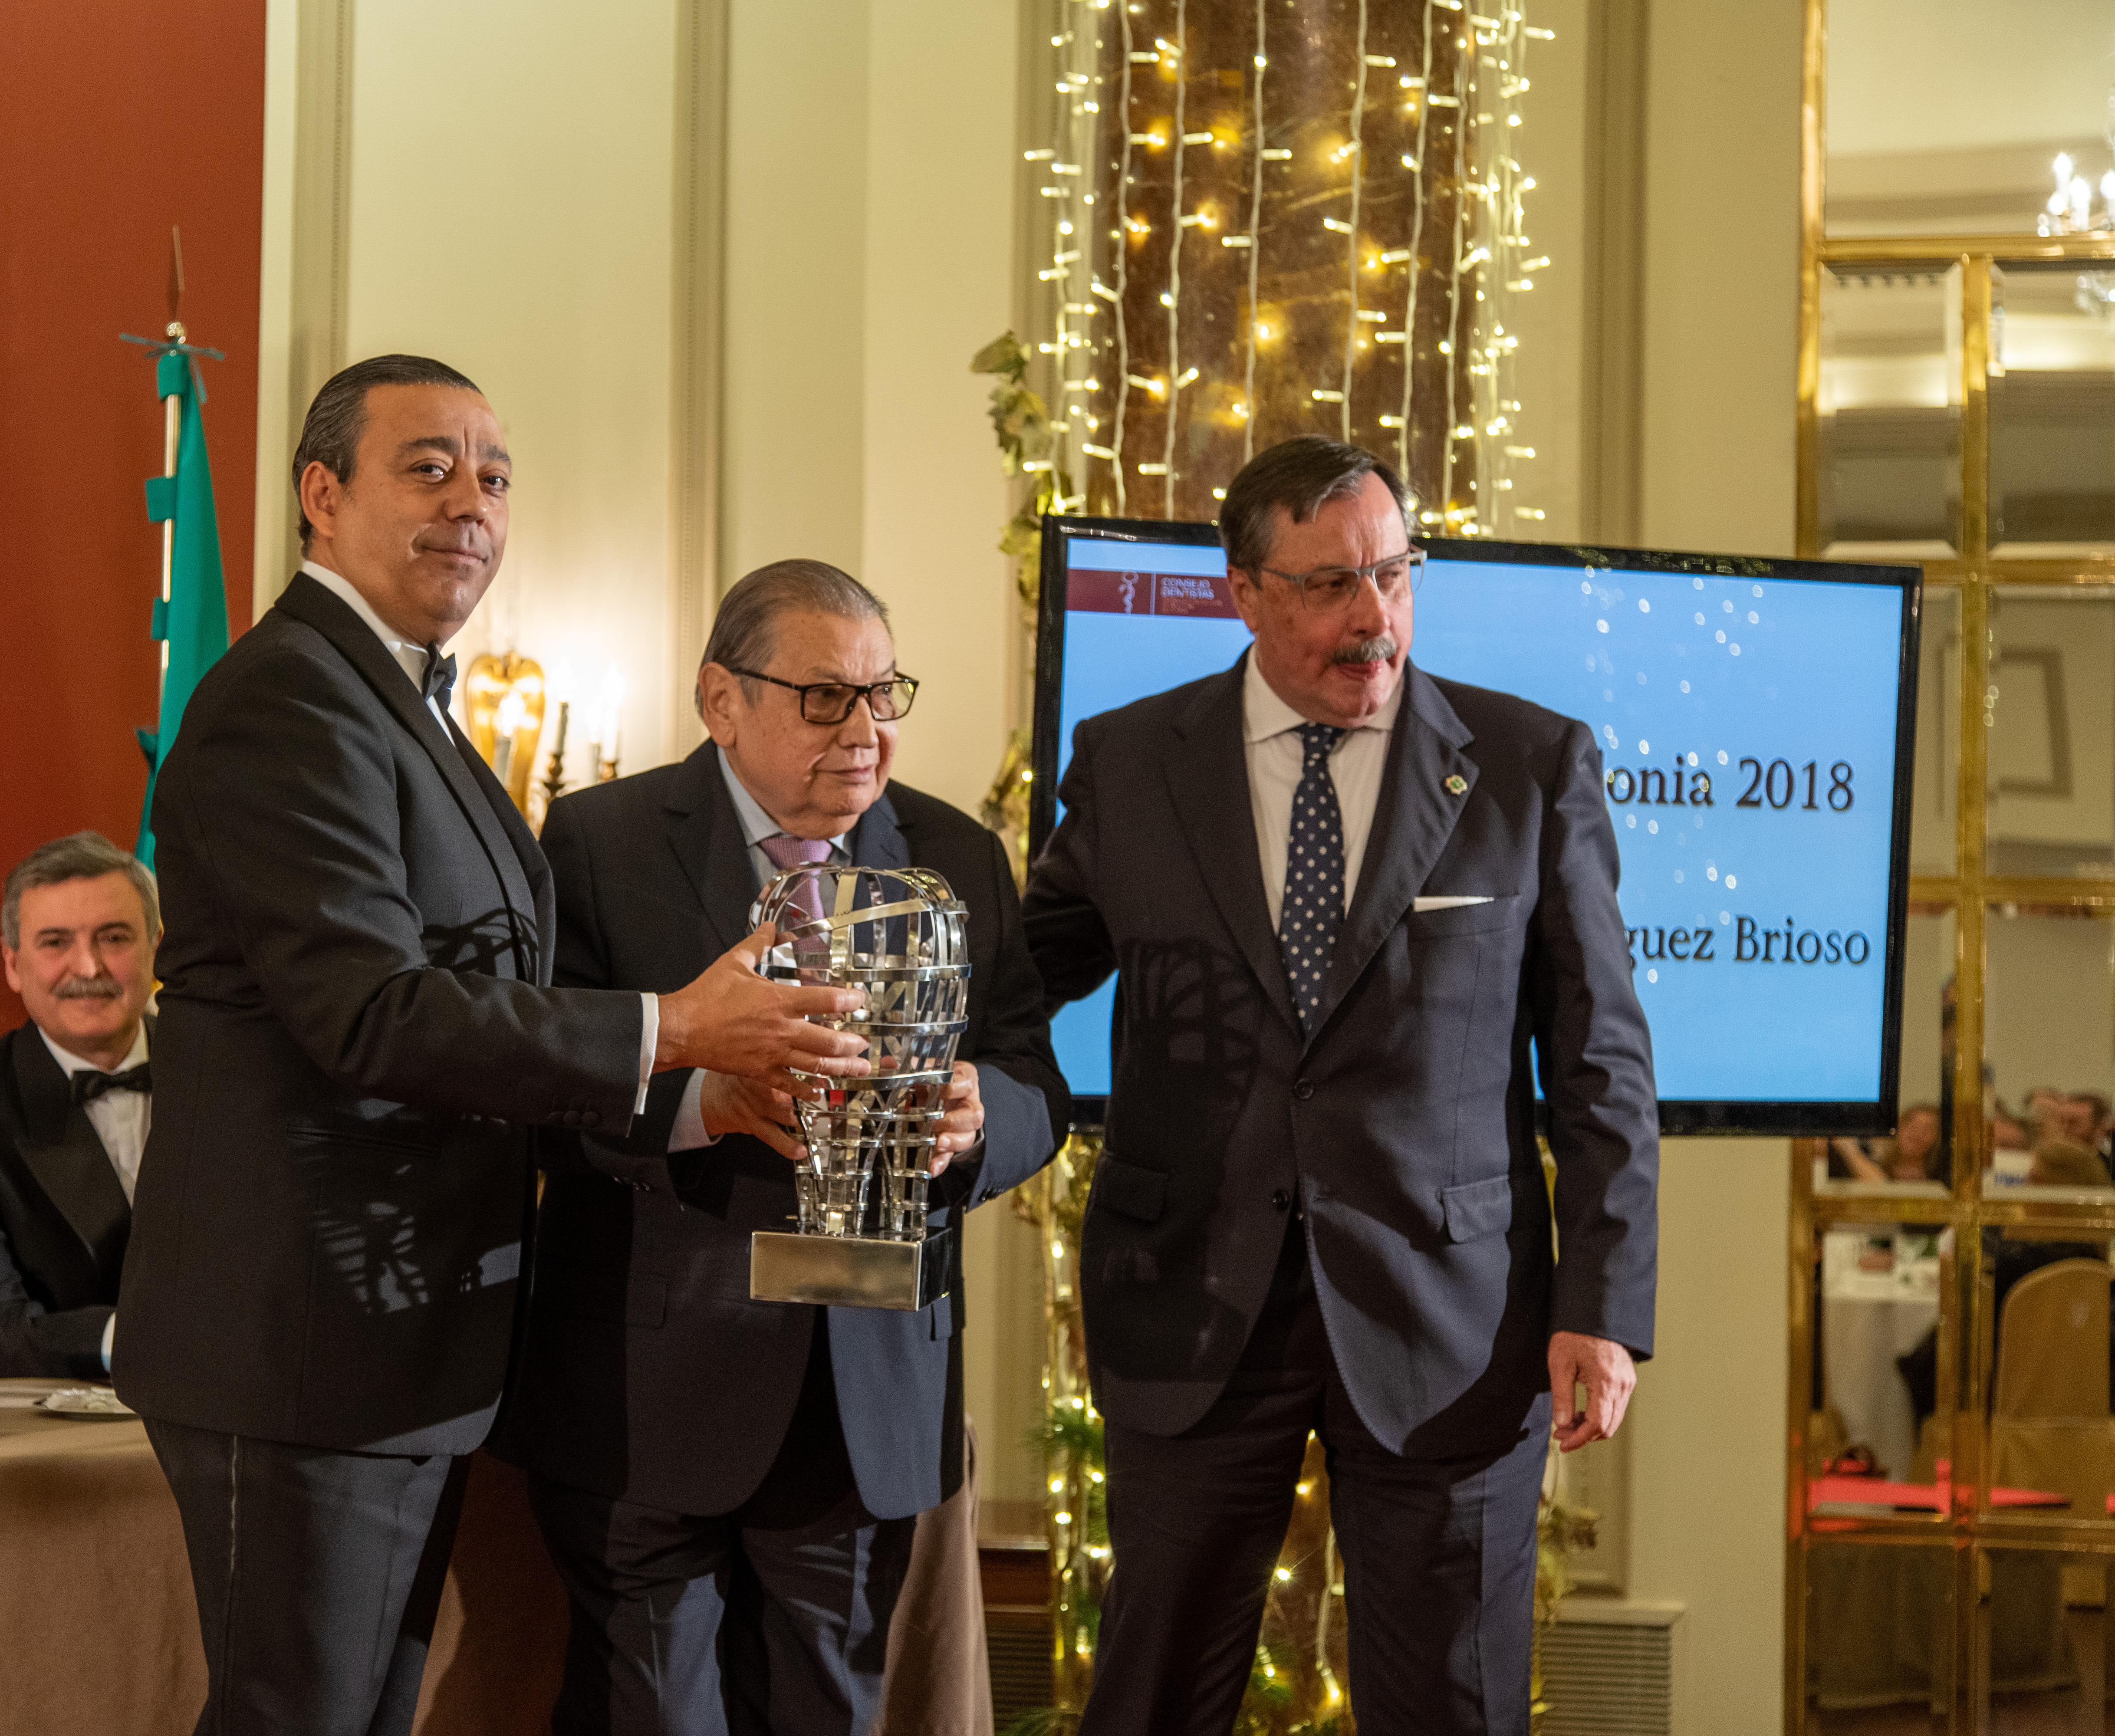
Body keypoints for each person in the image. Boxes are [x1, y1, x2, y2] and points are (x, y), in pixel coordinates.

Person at [112, 355, 874, 1736]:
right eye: (429, 467)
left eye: (495, 476)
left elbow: (481, 1003)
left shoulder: (402, 703)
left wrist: (699, 1088)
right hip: (303, 1345)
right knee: (301, 1714)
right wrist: (670, 1025)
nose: (472, 502)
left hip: (398, 1345)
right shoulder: (287, 700)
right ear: (319, 495)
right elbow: (371, 1013)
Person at [1022, 436, 1659, 1735]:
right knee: (1145, 1702)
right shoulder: (1131, 760)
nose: (1374, 618)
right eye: (1327, 586)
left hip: (1453, 1325)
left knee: (1451, 1711)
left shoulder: (1528, 763)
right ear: (1241, 590)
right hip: (1188, 1308)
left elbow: (1598, 1061)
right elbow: (1019, 982)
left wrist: (1602, 1301)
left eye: (1392, 573)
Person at [504, 560, 1071, 1734]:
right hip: (647, 1391)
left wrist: (982, 1121)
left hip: (863, 1394)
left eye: (885, 694)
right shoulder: (601, 840)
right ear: (723, 700)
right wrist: (705, 1104)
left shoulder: (958, 855)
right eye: (827, 699)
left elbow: (1035, 1076)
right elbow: (542, 1088)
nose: (868, 732)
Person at [0, 831, 157, 1378]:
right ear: (13, 964)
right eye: (56, 942)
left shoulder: (237, 1076)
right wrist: (146, 1337)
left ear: (157, 946)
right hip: (70, 1430)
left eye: (114, 937)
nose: (87, 968)